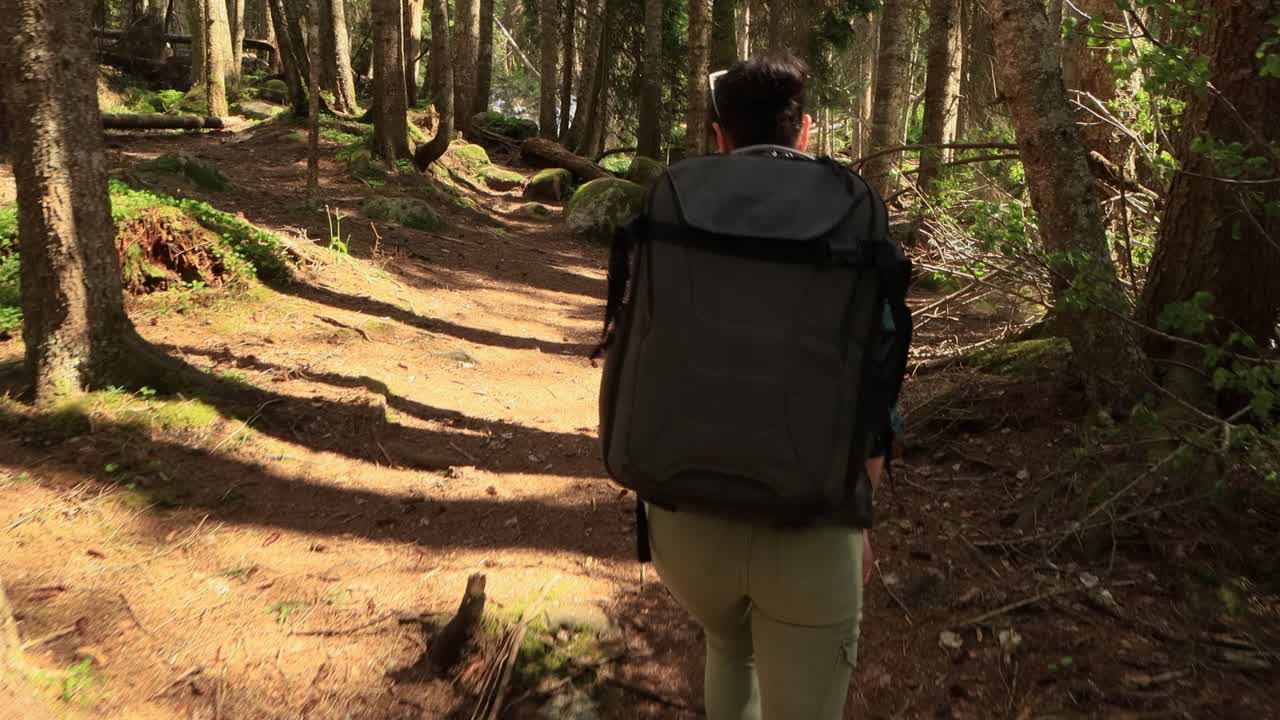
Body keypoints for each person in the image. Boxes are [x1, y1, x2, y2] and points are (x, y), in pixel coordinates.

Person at [639, 52, 908, 720]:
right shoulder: (852, 216)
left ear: (718, 136)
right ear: (806, 132)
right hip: (811, 526)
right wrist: (860, 509)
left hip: (683, 519)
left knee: (730, 649)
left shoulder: (679, 205)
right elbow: (876, 387)